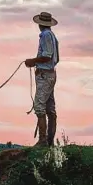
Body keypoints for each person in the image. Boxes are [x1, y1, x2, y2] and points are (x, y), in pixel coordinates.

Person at [25, 12, 60, 147]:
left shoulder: (45, 35)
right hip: (50, 74)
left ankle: (43, 141)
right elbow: (54, 58)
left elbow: (47, 56)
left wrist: (32, 61)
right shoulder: (52, 36)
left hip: (44, 75)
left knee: (40, 107)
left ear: (40, 24)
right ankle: (49, 141)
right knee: (50, 108)